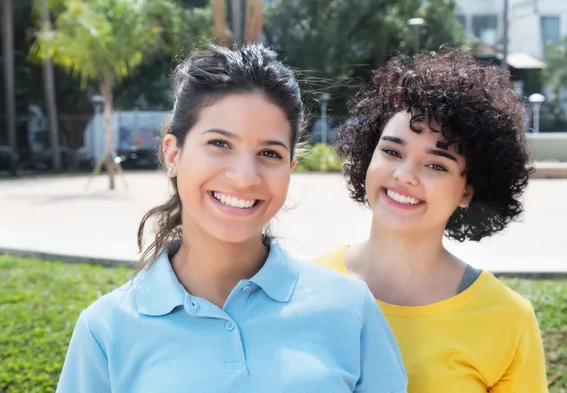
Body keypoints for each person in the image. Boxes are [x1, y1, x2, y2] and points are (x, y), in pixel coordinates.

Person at [56, 44, 408, 393]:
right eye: (220, 144)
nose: (244, 176)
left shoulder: (350, 309)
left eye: (269, 153)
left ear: (290, 169)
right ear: (173, 154)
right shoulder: (105, 331)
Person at [315, 47, 548, 393]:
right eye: (392, 152)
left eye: (437, 165)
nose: (405, 176)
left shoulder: (507, 320)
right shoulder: (302, 288)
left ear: (469, 189)